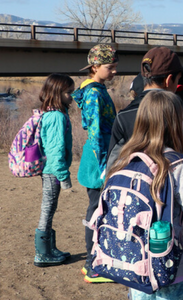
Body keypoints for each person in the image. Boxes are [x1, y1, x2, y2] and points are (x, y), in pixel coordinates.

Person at [106, 90, 183, 299]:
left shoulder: (124, 160)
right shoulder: (179, 165)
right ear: (175, 122)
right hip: (171, 267)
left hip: (133, 262)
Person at [107, 47, 183, 209]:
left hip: (131, 205)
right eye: (178, 79)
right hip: (170, 209)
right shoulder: (179, 115)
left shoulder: (123, 116)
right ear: (169, 80)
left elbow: (113, 165)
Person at [72, 44, 118, 282]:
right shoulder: (93, 92)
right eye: (110, 68)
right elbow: (96, 132)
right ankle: (92, 267)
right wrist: (103, 166)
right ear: (95, 67)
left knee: (97, 209)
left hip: (99, 156)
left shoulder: (97, 88)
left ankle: (92, 263)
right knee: (96, 210)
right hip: (98, 158)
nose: (114, 72)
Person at [33, 74, 75, 267]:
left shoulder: (52, 113)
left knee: (49, 208)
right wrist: (64, 176)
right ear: (58, 93)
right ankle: (42, 254)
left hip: (49, 171)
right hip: (52, 172)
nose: (71, 97)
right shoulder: (57, 116)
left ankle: (49, 249)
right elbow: (55, 149)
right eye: (68, 92)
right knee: (48, 210)